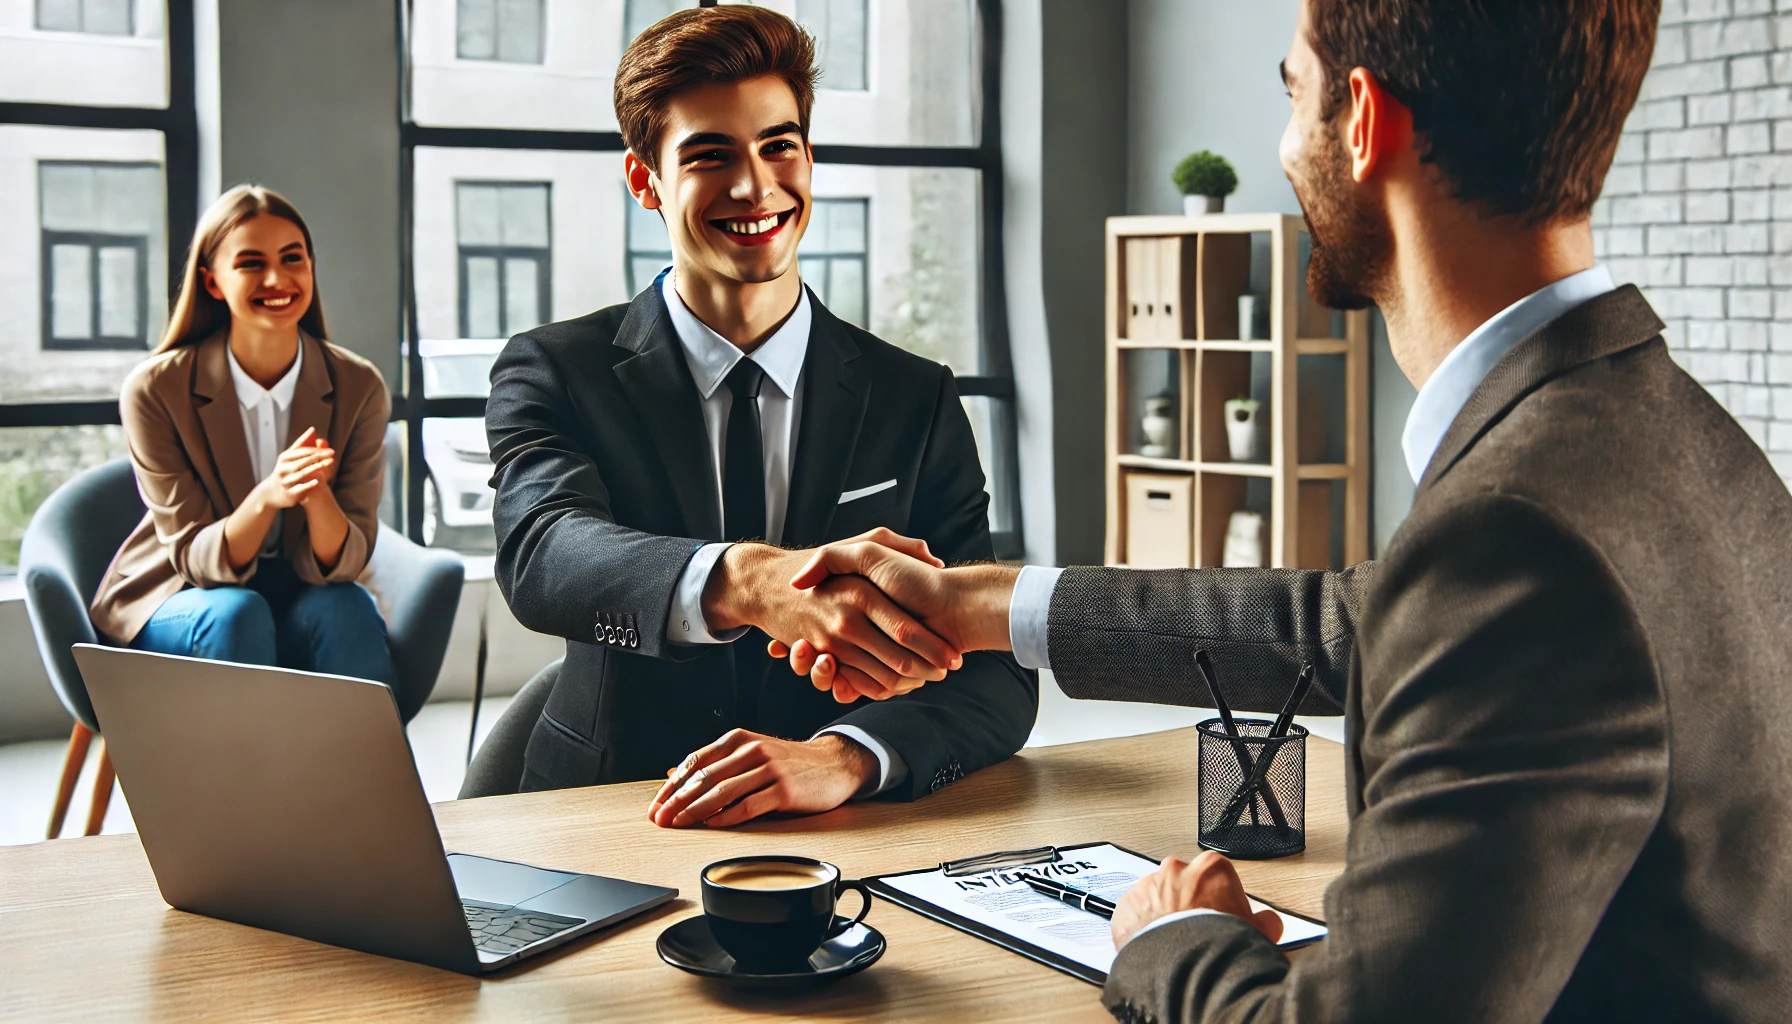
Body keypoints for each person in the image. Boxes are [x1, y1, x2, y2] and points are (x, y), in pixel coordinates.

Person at [772, 0, 1792, 1019]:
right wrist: (975, 602)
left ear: (1361, 120)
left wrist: (1174, 938)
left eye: (1291, 93)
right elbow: (1347, 624)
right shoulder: (1682, 439)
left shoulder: (1517, 534)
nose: (1285, 142)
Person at [483, 5, 1036, 825]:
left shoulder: (914, 397)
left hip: (843, 828)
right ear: (647, 181)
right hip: (606, 814)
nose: (755, 186)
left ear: (808, 156)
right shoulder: (555, 368)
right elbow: (544, 554)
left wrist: (846, 756)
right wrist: (747, 581)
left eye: (778, 145)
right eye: (710, 155)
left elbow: (995, 668)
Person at [91, 185, 398, 697]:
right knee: (237, 614)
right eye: (251, 263)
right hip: (183, 595)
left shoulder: (358, 385)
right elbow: (194, 557)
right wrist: (268, 496)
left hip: (299, 590)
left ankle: (363, 778)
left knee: (348, 609)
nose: (277, 279)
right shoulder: (156, 389)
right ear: (212, 283)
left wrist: (315, 493)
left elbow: (345, 563)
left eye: (292, 258)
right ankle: (243, 779)